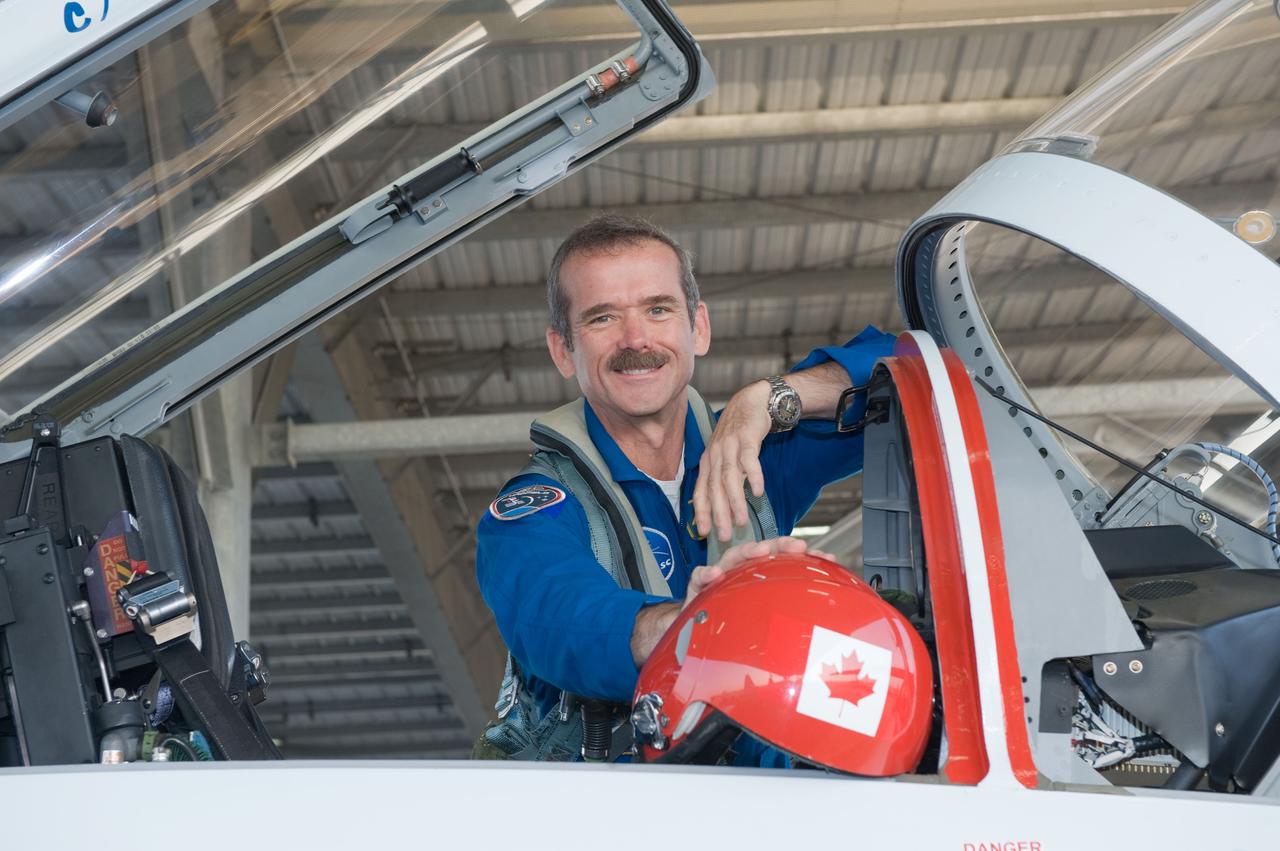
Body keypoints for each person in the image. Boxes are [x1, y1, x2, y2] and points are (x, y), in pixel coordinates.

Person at [473, 213, 895, 763]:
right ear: (562, 350)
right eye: (603, 318)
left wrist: (768, 399)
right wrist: (697, 623)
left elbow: (913, 369)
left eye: (658, 309)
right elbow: (562, 618)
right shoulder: (530, 514)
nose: (636, 339)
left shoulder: (752, 454)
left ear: (698, 327)